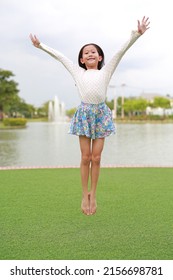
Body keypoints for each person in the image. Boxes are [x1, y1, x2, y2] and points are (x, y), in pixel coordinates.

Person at [30, 16, 150, 216]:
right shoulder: (78, 72)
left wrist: (137, 34)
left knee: (97, 157)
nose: (90, 54)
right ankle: (84, 194)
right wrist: (40, 45)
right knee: (85, 157)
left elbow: (121, 51)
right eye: (86, 53)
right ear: (82, 59)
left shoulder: (106, 71)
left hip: (101, 114)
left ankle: (94, 194)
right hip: (85, 114)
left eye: (93, 51)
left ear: (100, 57)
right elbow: (60, 57)